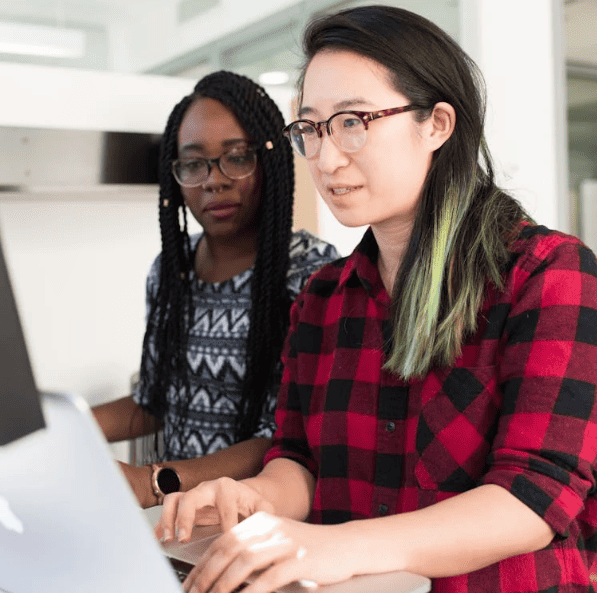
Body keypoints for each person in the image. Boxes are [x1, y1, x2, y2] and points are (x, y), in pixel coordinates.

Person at [156, 6, 597, 593]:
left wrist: (333, 546)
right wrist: (253, 496)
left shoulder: (549, 273)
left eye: (353, 122)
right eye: (311, 128)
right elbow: (300, 461)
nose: (326, 157)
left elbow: (534, 495)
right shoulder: (322, 295)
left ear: (437, 123)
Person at [92, 71, 339, 509]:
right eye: (193, 163)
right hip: (177, 522)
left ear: (270, 161)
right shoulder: (171, 271)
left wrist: (153, 482)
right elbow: (153, 401)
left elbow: (285, 438)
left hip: (259, 522)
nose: (214, 180)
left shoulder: (310, 275)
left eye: (237, 157)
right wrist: (61, 428)